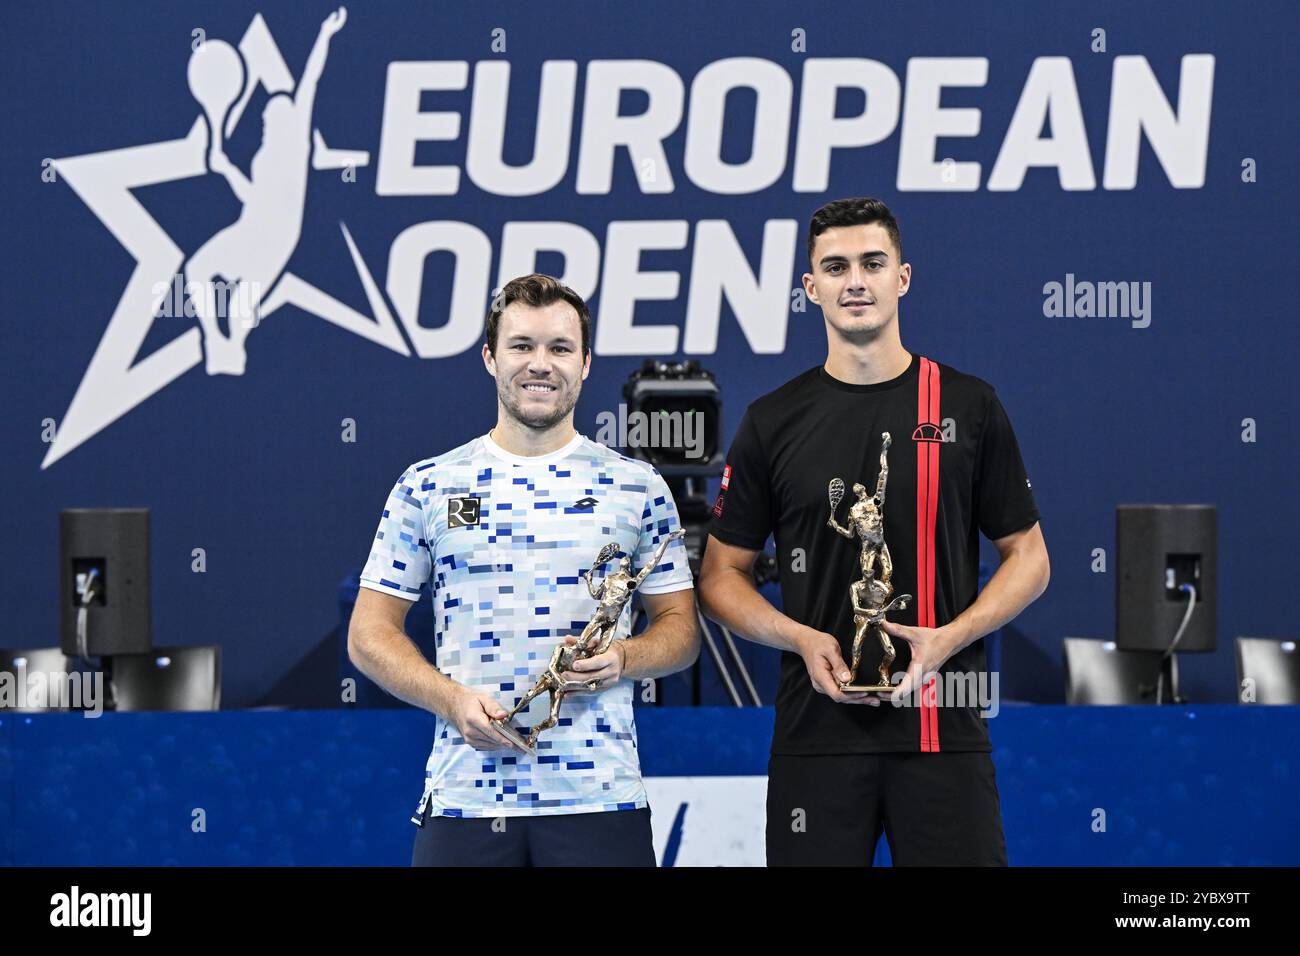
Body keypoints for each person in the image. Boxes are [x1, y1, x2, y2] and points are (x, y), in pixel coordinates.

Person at [698, 198, 1050, 866]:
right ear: (811, 288)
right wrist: (800, 639)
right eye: (835, 266)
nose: (854, 280)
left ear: (903, 278)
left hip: (941, 731)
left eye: (871, 263)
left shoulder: (966, 406)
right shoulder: (772, 421)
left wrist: (949, 638)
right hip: (816, 738)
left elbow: (1030, 559)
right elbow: (718, 579)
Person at [349, 273, 698, 866]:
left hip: (600, 798)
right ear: (490, 357)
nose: (541, 364)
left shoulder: (637, 487)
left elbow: (682, 631)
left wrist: (625, 659)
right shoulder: (428, 484)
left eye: (560, 349)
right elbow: (369, 633)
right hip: (467, 800)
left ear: (585, 363)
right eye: (521, 346)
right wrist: (449, 699)